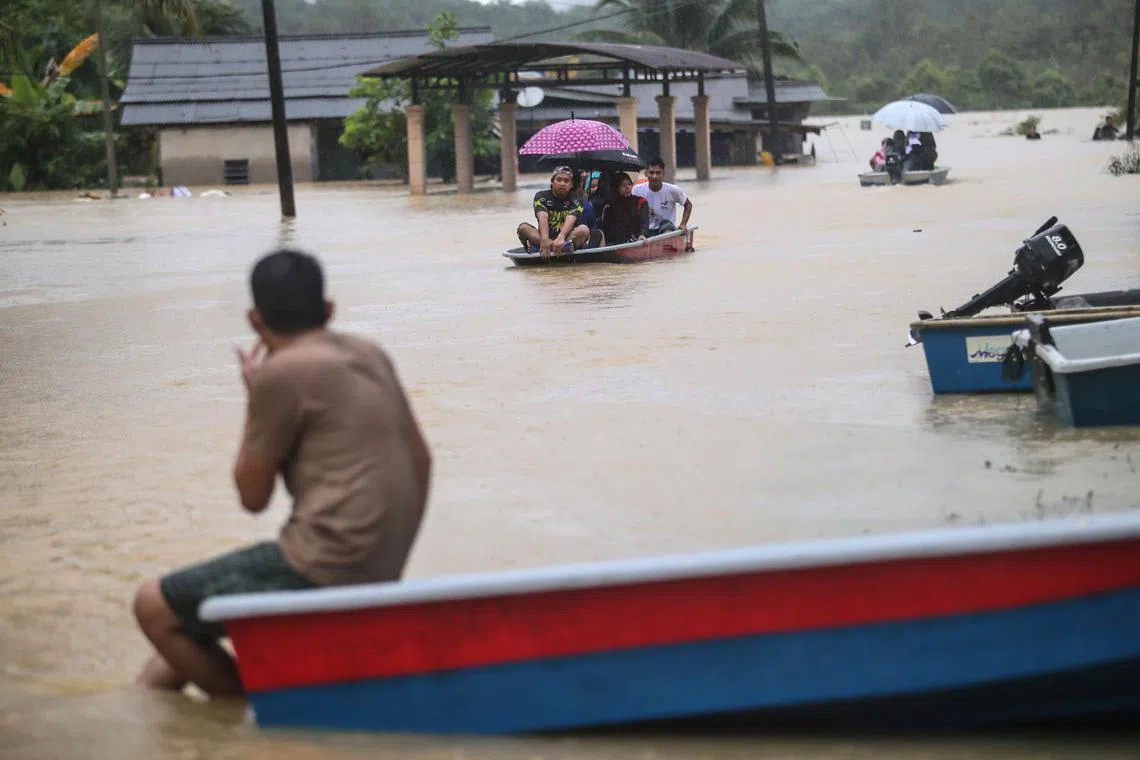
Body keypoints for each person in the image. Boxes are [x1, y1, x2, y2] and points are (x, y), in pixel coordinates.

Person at [132, 248, 433, 697]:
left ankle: (248, 709)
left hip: (323, 564)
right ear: (329, 309)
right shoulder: (370, 353)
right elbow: (422, 460)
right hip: (382, 563)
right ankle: (147, 715)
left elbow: (253, 498)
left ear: (255, 320)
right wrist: (383, 559)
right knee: (174, 652)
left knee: (153, 605)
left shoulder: (280, 373)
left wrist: (255, 400)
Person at [517, 166, 590, 256]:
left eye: (566, 181)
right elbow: (543, 216)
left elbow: (571, 218)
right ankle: (559, 248)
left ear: (571, 185)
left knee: (584, 230)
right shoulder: (541, 196)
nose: (562, 183)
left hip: (566, 239)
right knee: (523, 228)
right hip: (543, 238)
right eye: (559, 180)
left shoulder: (577, 199)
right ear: (552, 182)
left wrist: (561, 237)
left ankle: (541, 247)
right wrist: (544, 239)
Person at [632, 157, 693, 236]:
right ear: (646, 173)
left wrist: (683, 224)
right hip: (645, 228)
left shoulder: (673, 190)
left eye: (658, 173)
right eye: (651, 173)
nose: (654, 176)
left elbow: (688, 205)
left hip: (666, 228)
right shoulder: (637, 190)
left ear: (663, 173)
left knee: (666, 225)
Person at [599, 172, 649, 245]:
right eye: (623, 185)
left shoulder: (640, 201)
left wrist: (642, 234)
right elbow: (608, 230)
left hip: (637, 241)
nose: (627, 187)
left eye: (629, 184)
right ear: (616, 188)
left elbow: (644, 222)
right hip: (616, 244)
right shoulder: (610, 206)